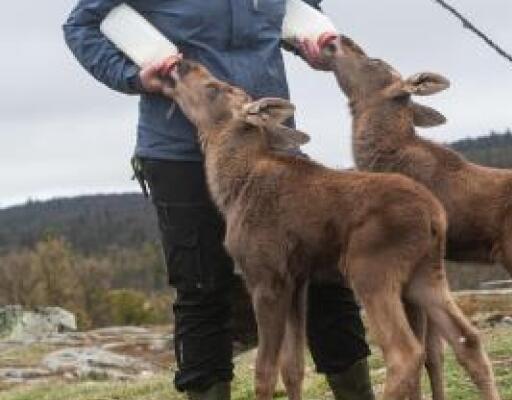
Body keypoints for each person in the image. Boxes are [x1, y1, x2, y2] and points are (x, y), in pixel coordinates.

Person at [63, 1, 375, 399]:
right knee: (202, 289)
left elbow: (298, 12)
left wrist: (311, 43)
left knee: (324, 278)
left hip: (272, 143)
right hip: (180, 151)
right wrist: (132, 76)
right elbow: (80, 26)